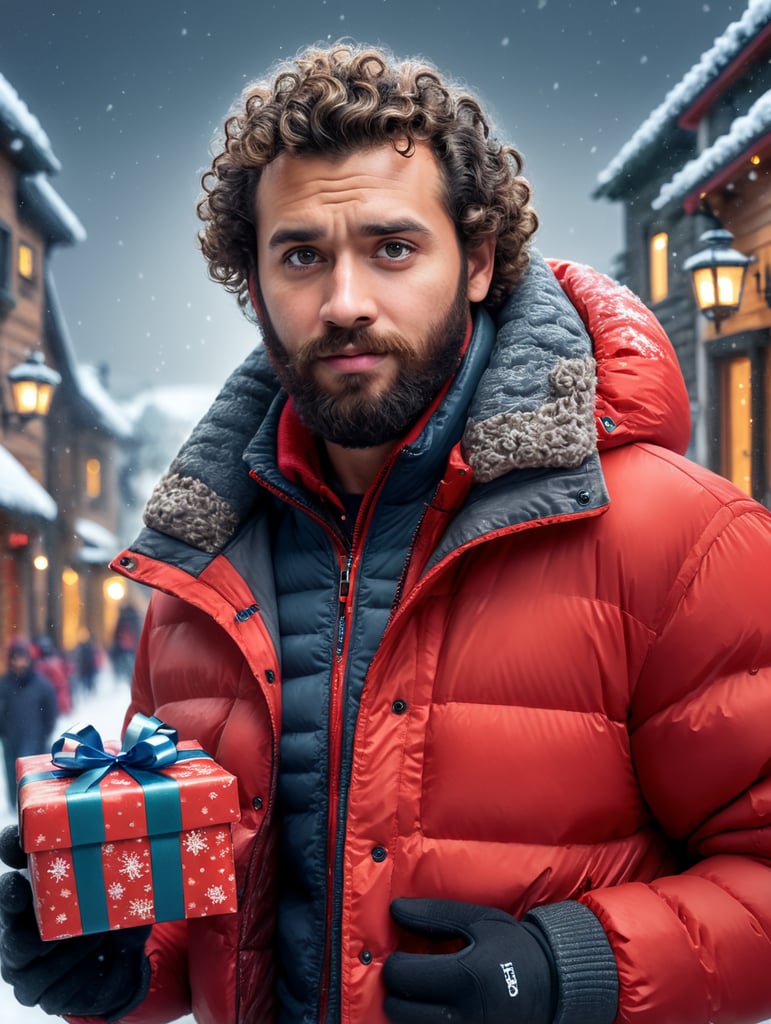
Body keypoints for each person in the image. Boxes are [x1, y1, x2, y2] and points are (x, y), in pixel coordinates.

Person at [1, 41, 771, 1024]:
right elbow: (200, 915)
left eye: (393, 248)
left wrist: (574, 966)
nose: (346, 300)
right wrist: (113, 963)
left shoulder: (684, 540)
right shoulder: (200, 575)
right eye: (302, 256)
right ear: (254, 281)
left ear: (481, 261)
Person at [0, 638, 59, 810]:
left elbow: (50, 712)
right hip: (11, 739)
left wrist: (44, 733)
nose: (19, 662)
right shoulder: (4, 685)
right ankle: (15, 806)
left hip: (37, 739)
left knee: (35, 778)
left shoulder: (42, 685)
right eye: (15, 658)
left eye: (22, 657)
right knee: (14, 775)